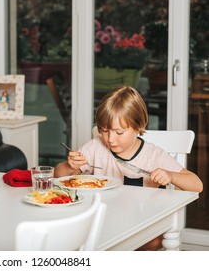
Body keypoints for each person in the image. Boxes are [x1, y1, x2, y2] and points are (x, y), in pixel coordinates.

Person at [54, 86, 203, 250]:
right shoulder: (96, 146)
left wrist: (171, 176)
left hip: (144, 223)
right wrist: (70, 166)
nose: (110, 139)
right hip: (104, 221)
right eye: (104, 130)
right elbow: (58, 176)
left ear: (138, 127)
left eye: (119, 132)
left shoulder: (153, 155)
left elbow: (197, 184)